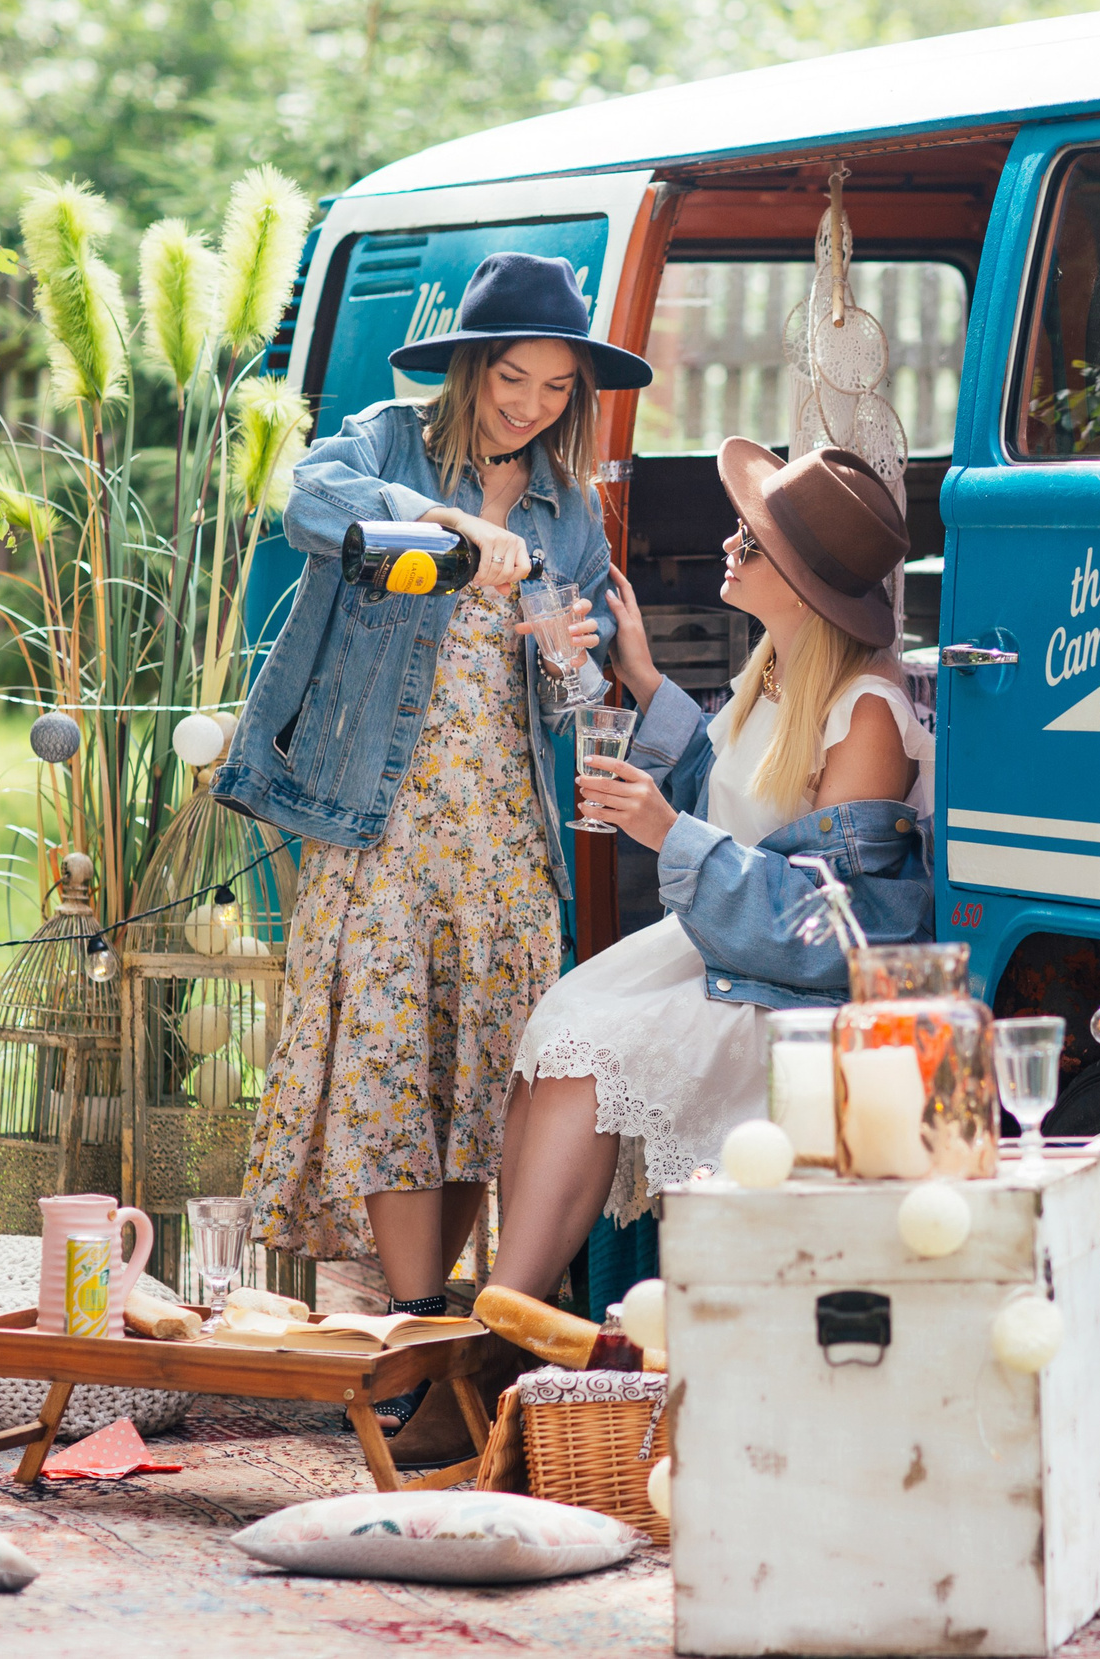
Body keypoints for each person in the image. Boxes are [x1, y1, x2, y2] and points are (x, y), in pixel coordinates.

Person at [212, 251, 653, 1440]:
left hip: (506, 831)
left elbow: (573, 696)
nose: (530, 406)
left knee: (478, 1083)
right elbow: (308, 502)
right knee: (394, 1070)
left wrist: (568, 655)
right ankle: (413, 1349)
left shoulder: (573, 507)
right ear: (470, 366)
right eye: (513, 378)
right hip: (383, 817)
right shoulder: (384, 443)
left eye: (557, 389)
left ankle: (458, 1348)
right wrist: (450, 518)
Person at [491, 439, 938, 1302]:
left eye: (750, 543)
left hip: (791, 993)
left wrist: (668, 834)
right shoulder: (774, 669)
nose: (728, 547)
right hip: (722, 951)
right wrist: (645, 678)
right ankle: (516, 1316)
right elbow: (734, 799)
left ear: (805, 582)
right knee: (554, 1030)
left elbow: (837, 928)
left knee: (588, 1055)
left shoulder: (867, 713)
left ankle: (504, 1326)